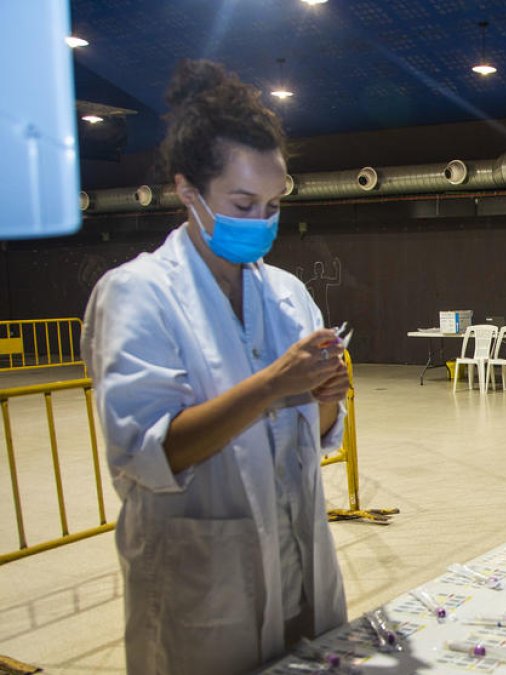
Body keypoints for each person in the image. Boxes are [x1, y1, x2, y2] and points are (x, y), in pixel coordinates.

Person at [81, 60, 349, 675]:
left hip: (300, 564)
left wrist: (326, 393)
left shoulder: (286, 294)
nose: (260, 222)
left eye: (274, 204)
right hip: (203, 579)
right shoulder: (137, 295)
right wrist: (273, 385)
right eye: (242, 203)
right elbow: (148, 452)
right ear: (187, 191)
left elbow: (316, 430)